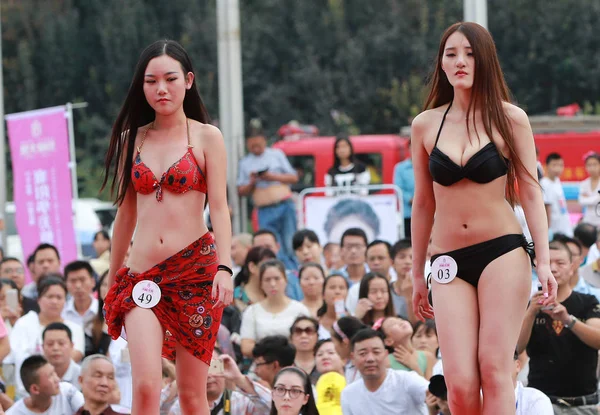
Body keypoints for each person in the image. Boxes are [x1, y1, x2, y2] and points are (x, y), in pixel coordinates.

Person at [410, 22, 556, 414]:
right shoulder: (425, 125)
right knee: (458, 384)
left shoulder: (511, 118)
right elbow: (422, 203)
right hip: (446, 261)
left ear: (485, 61)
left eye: (470, 53)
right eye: (451, 53)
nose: (460, 61)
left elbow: (530, 191)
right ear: (441, 63)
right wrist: (414, 271)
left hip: (503, 252)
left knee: (494, 370)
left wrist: (543, 260)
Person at [100, 39, 233, 415]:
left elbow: (220, 209)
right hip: (142, 277)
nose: (161, 89)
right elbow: (125, 215)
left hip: (196, 275)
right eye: (151, 81)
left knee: (193, 396)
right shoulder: (133, 139)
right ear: (141, 87)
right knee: (145, 388)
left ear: (188, 81)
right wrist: (114, 280)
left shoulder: (208, 137)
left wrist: (225, 268)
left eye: (170, 79)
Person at [517, 240, 600, 414]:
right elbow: (516, 349)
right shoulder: (526, 305)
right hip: (540, 402)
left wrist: (568, 320)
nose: (553, 269)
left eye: (560, 263)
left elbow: (597, 339)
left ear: (572, 267)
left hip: (583, 404)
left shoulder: (588, 302)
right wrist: (531, 312)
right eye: (547, 263)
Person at [10, 276, 85, 398]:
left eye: (59, 297)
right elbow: (15, 355)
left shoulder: (75, 327)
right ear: (38, 299)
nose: (54, 301)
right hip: (26, 391)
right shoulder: (24, 323)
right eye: (50, 296)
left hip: (67, 389)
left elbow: (75, 355)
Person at [237, 126, 299, 270]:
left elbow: (293, 177)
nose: (256, 148)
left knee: (289, 243)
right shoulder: (245, 163)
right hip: (264, 210)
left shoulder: (277, 155)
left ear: (264, 141)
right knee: (269, 245)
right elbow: (241, 190)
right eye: (252, 146)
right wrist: (252, 181)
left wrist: (272, 176)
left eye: (258, 145)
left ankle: (293, 272)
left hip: (284, 205)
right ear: (248, 145)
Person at [340, 329, 429, 415]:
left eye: (376, 352)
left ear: (385, 354)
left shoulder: (406, 380)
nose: (370, 359)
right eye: (363, 354)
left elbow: (433, 396)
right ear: (353, 358)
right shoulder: (348, 394)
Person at [240, 260, 310, 358]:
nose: (273, 284)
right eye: (267, 280)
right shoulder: (252, 311)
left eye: (277, 279)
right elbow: (246, 346)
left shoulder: (300, 310)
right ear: (261, 284)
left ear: (285, 280)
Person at [7, 355, 84, 415]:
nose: (57, 379)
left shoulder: (67, 392)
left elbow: (89, 409)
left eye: (54, 372)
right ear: (35, 389)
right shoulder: (15, 413)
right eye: (50, 376)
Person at [62, 261, 98, 337]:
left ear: (93, 282)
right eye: (73, 281)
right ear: (66, 285)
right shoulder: (61, 312)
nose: (78, 286)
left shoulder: (104, 310)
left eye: (82, 280)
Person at [541, 153, 573, 237]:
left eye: (560, 165)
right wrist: (548, 229)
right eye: (554, 165)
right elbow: (546, 206)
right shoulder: (544, 183)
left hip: (563, 224)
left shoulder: (557, 181)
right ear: (547, 166)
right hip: (554, 229)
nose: (558, 169)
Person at [42, 323, 81, 388]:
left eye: (61, 343)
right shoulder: (37, 377)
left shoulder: (82, 375)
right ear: (42, 347)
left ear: (72, 345)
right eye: (50, 344)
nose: (55, 348)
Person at [393, 139, 415, 239]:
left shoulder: (429, 166)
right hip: (408, 213)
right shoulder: (400, 168)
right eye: (412, 147)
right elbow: (398, 189)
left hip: (429, 214)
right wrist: (411, 200)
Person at [289, 316, 319, 384]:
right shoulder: (285, 365)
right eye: (298, 331)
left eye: (309, 331)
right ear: (291, 338)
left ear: (317, 336)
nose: (303, 335)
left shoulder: (324, 363)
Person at [578, 152, 600, 228]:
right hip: (588, 222)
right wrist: (597, 197)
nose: (592, 168)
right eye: (589, 165)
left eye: (595, 164)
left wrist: (588, 198)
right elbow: (581, 201)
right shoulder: (584, 184)